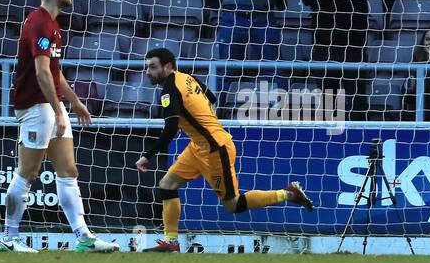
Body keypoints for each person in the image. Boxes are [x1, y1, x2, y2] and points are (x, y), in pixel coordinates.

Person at [133, 47, 314, 252]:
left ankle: (288, 194)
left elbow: (170, 129)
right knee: (167, 184)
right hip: (197, 146)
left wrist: (147, 155)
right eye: (147, 67)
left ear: (168, 66)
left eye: (153, 67)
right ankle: (171, 243)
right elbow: (211, 98)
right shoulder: (187, 78)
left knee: (232, 205)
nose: (148, 71)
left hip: (215, 149)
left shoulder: (169, 90)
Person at [0, 0, 118, 253]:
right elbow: (41, 73)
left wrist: (73, 102)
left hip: (49, 106)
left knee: (68, 171)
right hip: (36, 107)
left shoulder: (50, 24)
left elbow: (53, 71)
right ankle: (9, 238)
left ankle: (84, 237)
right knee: (28, 172)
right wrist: (59, 111)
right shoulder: (40, 23)